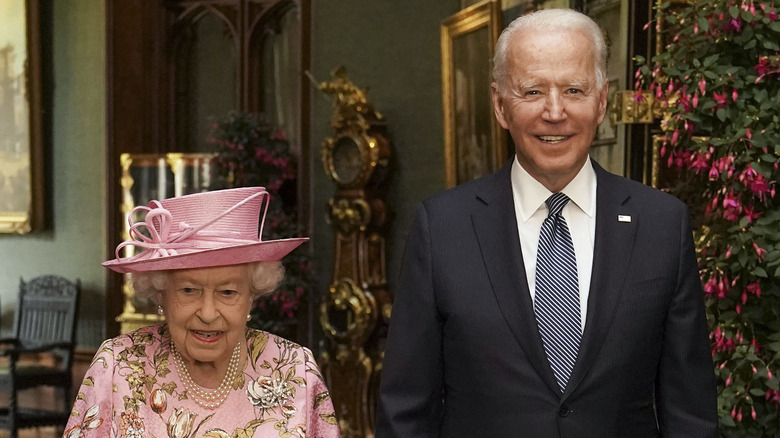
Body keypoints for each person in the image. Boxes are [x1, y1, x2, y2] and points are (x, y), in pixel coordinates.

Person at [375, 8, 717, 437]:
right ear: (500, 105)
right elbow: (406, 410)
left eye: (574, 90)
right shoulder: (442, 227)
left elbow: (691, 413)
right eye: (533, 91)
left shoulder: (661, 224)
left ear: (602, 101)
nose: (555, 113)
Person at [64, 187, 340, 438]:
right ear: (162, 294)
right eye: (189, 290)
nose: (208, 314)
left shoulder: (294, 368)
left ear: (251, 297)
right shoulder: (117, 367)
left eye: (228, 292)